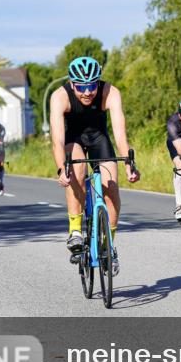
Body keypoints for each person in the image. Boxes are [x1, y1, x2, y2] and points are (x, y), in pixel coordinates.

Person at [48, 56, 139, 273]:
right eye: (81, 87)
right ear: (72, 83)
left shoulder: (111, 92)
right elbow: (57, 140)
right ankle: (76, 230)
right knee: (76, 170)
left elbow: (119, 133)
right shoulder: (59, 97)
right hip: (73, 138)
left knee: (111, 188)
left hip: (99, 137)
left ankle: (108, 245)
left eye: (92, 85)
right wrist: (62, 168)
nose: (88, 92)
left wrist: (128, 162)